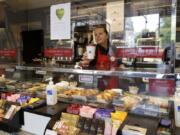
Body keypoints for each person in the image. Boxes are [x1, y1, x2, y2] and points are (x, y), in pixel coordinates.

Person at [80, 25, 119, 89]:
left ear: (107, 35)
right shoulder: (93, 49)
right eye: (95, 35)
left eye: (100, 34)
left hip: (114, 84)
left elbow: (119, 64)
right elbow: (87, 67)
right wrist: (86, 62)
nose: (97, 36)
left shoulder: (114, 48)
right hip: (100, 85)